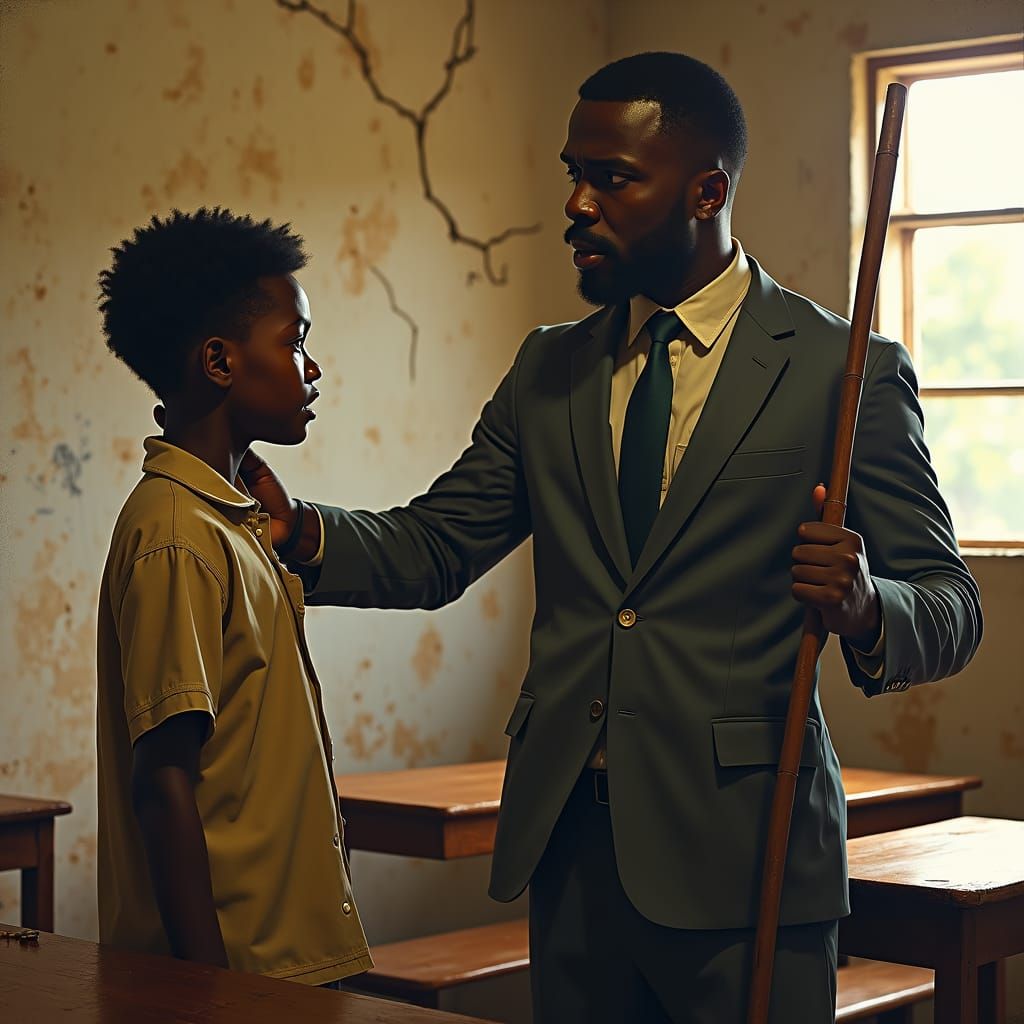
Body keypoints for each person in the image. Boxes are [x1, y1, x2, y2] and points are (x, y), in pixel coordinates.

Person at [243, 53, 982, 1021]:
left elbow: (950, 606)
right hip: (569, 850)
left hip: (745, 859)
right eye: (572, 174)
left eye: (613, 177)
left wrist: (863, 603)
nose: (577, 205)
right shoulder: (551, 366)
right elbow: (438, 543)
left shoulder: (844, 373)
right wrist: (301, 532)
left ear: (707, 189)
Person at [95, 208, 372, 987]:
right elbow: (165, 780)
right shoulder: (176, 533)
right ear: (219, 362)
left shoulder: (232, 522)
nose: (311, 369)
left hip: (286, 964)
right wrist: (209, 992)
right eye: (294, 342)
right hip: (237, 977)